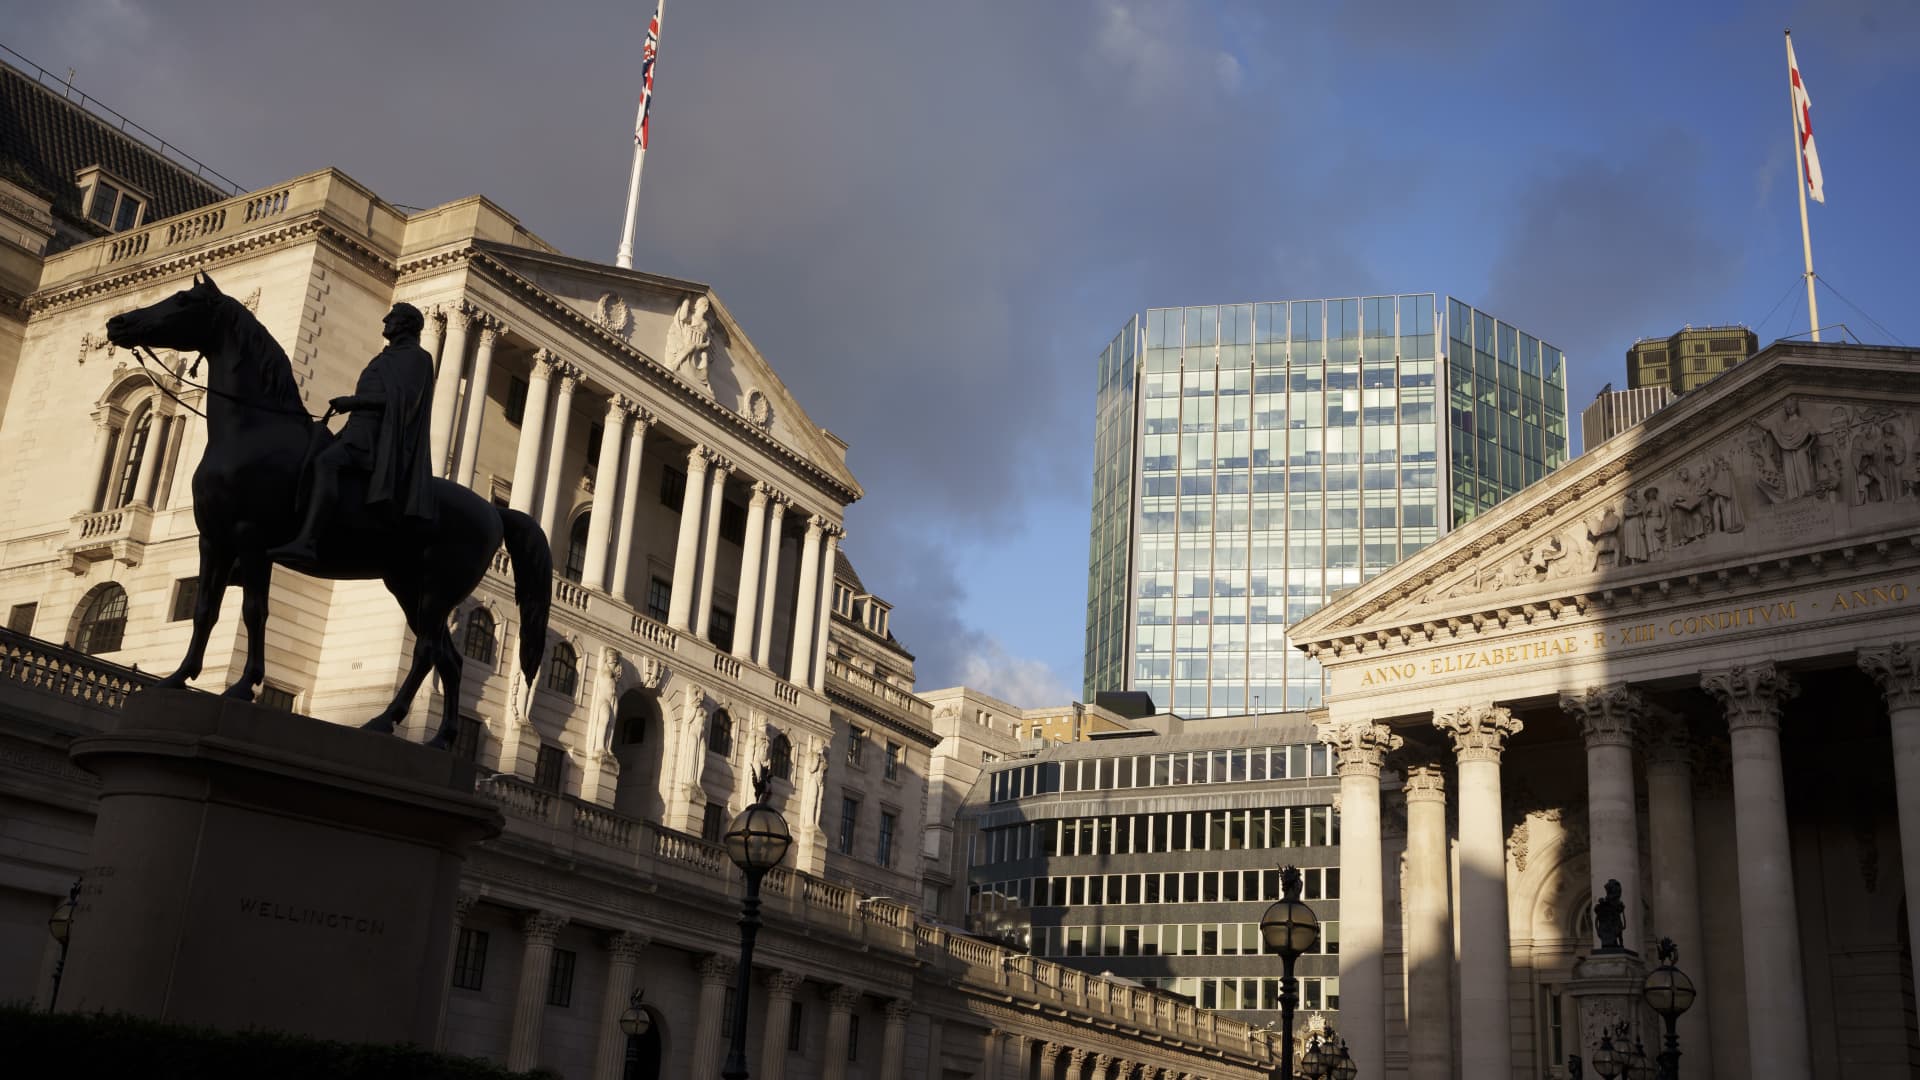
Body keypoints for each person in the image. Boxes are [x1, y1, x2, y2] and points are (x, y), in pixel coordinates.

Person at [270, 303, 435, 564]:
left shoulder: (417, 358)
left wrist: (353, 402)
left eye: (392, 318)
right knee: (304, 457)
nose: (385, 320)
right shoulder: (384, 357)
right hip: (355, 430)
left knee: (327, 462)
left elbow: (404, 401)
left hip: (377, 438)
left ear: (406, 324)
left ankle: (309, 541)